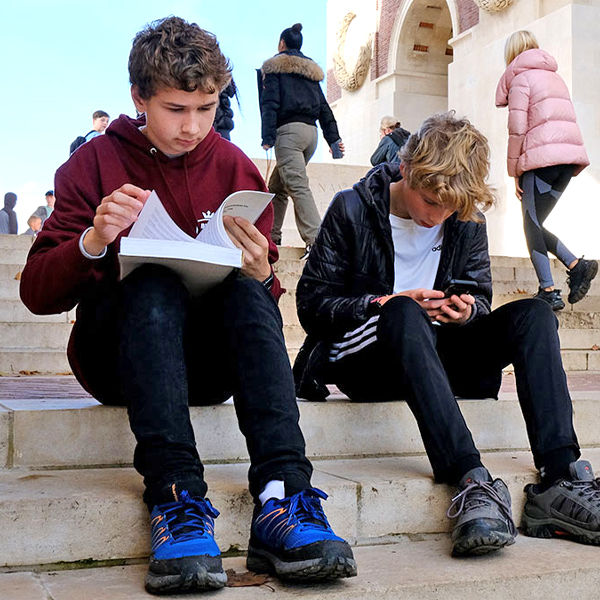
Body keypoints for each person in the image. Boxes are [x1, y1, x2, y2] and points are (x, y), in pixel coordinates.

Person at [20, 16, 356, 596]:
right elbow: (36, 292)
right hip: (119, 360)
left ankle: (283, 498)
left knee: (249, 289)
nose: (194, 127)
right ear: (139, 98)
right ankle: (176, 498)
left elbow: (260, 296)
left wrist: (262, 272)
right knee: (152, 283)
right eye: (176, 109)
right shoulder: (93, 163)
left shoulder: (235, 166)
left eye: (207, 108)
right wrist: (92, 241)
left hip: (208, 365)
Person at [294, 111, 600, 558]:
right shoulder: (353, 207)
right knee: (401, 310)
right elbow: (312, 306)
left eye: (450, 207)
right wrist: (380, 304)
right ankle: (471, 480)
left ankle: (560, 476)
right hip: (369, 355)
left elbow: (478, 293)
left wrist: (466, 312)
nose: (438, 215)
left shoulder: (464, 217)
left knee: (535, 314)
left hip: (437, 354)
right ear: (407, 169)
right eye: (430, 201)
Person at [496, 30, 597, 311]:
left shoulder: (520, 79)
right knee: (537, 223)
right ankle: (578, 266)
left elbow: (517, 129)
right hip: (566, 161)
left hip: (540, 161)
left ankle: (548, 289)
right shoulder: (554, 76)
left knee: (530, 224)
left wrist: (513, 170)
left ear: (511, 53)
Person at [259, 23, 344, 257]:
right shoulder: (311, 74)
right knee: (277, 187)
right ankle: (271, 237)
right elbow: (325, 109)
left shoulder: (274, 69)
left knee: (298, 187)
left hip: (289, 135)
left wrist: (267, 136)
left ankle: (317, 243)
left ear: (281, 44)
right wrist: (334, 141)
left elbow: (270, 104)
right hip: (311, 135)